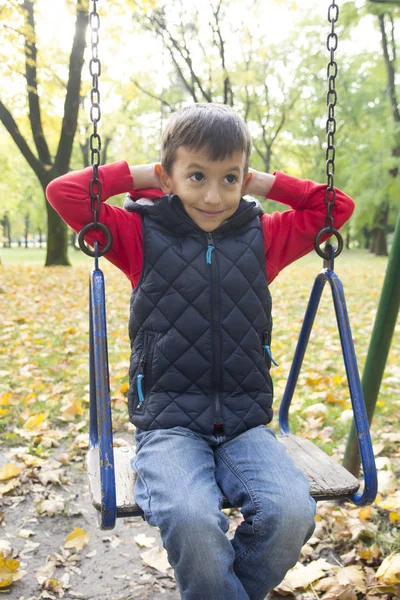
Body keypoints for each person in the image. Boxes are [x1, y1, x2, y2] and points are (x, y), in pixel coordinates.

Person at [46, 103, 355, 600]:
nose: (213, 195)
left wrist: (261, 183)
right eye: (196, 176)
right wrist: (151, 173)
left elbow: (335, 208)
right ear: (169, 178)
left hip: (245, 425)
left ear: (243, 179)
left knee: (292, 512)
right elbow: (63, 192)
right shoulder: (136, 234)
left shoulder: (265, 238)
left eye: (229, 178)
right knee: (191, 518)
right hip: (167, 426)